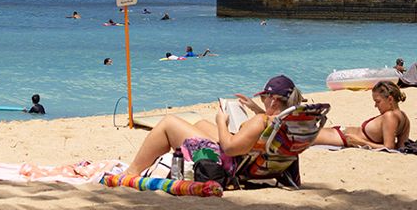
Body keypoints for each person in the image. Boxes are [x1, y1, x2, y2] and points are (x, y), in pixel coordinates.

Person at [124, 75, 300, 177]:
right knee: (201, 123)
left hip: (229, 163)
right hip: (251, 161)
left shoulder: (262, 120)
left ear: (275, 100)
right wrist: (255, 108)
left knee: (168, 122)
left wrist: (221, 122)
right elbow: (267, 129)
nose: (262, 100)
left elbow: (230, 148)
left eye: (264, 98)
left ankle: (133, 171)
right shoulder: (289, 121)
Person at [316, 80, 410, 150]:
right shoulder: (405, 118)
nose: (375, 105)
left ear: (390, 99)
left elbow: (389, 148)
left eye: (378, 101)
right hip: (341, 134)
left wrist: (360, 142)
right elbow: (401, 147)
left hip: (342, 137)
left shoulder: (389, 116)